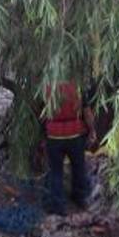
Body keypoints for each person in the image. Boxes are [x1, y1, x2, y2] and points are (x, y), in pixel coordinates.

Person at [43, 80, 95, 214]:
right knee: (78, 167)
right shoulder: (78, 86)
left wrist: (42, 135)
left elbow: (40, 113)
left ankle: (58, 206)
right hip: (75, 134)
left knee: (56, 172)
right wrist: (92, 130)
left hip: (54, 135)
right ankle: (80, 198)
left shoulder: (47, 86)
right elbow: (87, 112)